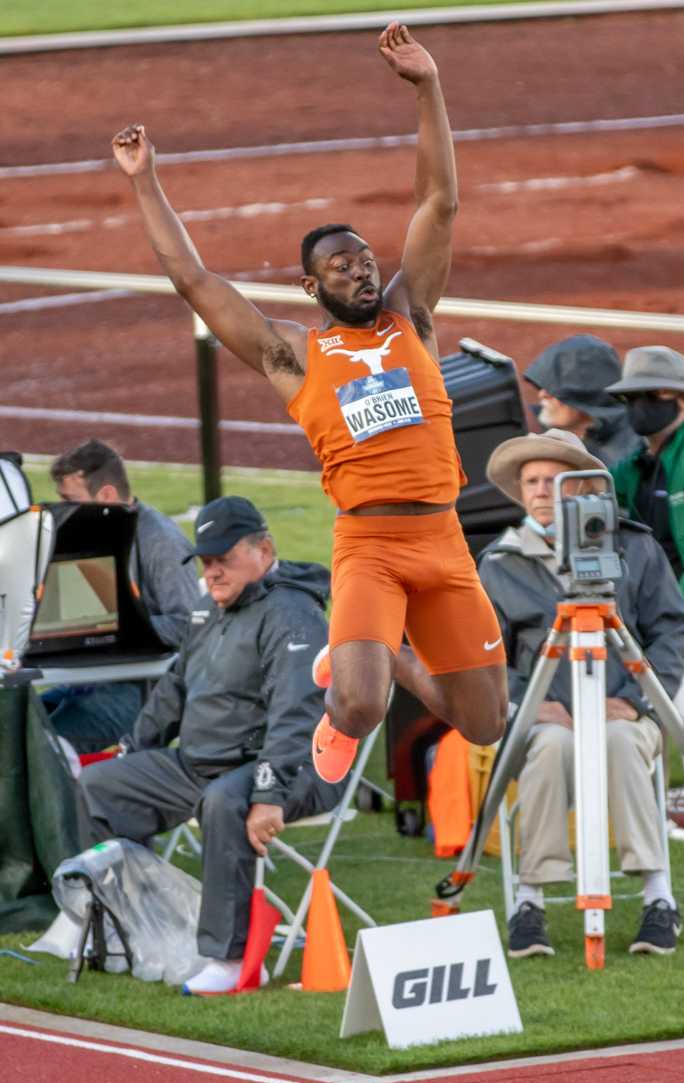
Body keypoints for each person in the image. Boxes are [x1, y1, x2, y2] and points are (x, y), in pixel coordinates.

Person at [110, 22, 507, 786]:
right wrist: (144, 180)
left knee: (484, 720)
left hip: (444, 540)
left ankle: (388, 649)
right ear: (309, 286)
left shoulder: (411, 317)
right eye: (340, 265)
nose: (360, 272)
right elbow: (193, 279)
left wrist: (428, 88)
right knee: (356, 709)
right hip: (370, 547)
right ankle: (363, 660)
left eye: (364, 260)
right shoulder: (292, 355)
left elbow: (439, 203)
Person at [78, 495, 342, 994]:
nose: (213, 572)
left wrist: (268, 793)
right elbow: (174, 690)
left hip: (289, 770)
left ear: (264, 550)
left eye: (224, 559)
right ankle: (126, 924)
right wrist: (132, 750)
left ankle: (234, 957)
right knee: (101, 785)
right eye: (206, 561)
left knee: (224, 801)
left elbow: (297, 716)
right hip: (203, 765)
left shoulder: (292, 614)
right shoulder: (207, 609)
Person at [480, 429, 684, 956]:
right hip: (547, 718)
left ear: (583, 488)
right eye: (531, 481)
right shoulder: (499, 563)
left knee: (620, 741)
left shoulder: (634, 546)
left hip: (624, 711)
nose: (542, 491)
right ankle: (529, 900)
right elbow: (482, 661)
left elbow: (671, 630)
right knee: (550, 748)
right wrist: (530, 704)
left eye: (555, 479)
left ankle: (658, 898)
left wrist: (641, 698)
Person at [607, 347, 684, 762]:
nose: (637, 407)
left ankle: (681, 782)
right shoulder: (639, 463)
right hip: (657, 599)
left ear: (681, 398)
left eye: (650, 395)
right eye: (630, 398)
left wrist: (678, 606)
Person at [42, 439, 200, 753]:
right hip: (91, 680)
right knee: (16, 723)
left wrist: (119, 628)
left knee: (42, 746)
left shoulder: (162, 542)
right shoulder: (91, 531)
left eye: (69, 500)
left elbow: (188, 624)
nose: (63, 511)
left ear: (107, 496)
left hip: (143, 691)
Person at [523, 334, 641, 467]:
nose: (542, 394)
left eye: (554, 389)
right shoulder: (535, 423)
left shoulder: (631, 452)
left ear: (586, 396)